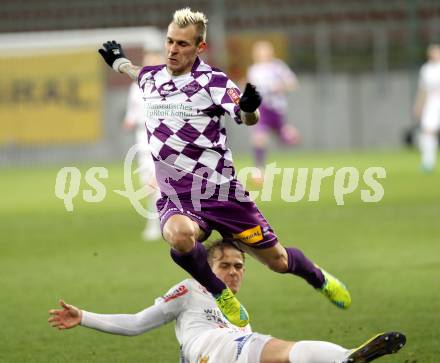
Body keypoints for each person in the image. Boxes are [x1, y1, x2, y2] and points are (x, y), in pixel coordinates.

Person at [98, 7, 351, 328]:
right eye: (170, 42)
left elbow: (246, 114)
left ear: (200, 47)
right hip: (179, 196)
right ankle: (221, 293)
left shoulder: (214, 81)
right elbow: (137, 72)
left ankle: (319, 278)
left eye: (183, 44)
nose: (173, 50)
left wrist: (249, 110)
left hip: (223, 193)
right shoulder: (152, 77)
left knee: (278, 261)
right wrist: (118, 61)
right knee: (178, 237)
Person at [48, 240, 406, 363]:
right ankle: (345, 357)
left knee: (275, 352)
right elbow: (139, 322)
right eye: (225, 265)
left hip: (225, 349)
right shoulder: (191, 289)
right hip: (207, 346)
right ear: (208, 266)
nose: (233, 272)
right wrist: (85, 317)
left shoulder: (239, 312)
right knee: (277, 350)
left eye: (239, 267)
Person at [123, 43, 164, 241]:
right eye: (148, 62)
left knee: (155, 181)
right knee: (147, 182)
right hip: (141, 138)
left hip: (160, 137)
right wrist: (129, 120)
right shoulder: (136, 87)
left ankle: (156, 223)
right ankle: (161, 219)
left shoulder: (166, 88)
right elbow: (132, 112)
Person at [247, 40, 300, 183]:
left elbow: (292, 83)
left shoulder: (278, 67)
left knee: (287, 140)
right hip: (263, 109)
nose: (263, 54)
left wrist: (281, 86)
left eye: (266, 51)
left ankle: (288, 133)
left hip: (277, 110)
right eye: (260, 51)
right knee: (259, 137)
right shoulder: (254, 70)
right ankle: (259, 170)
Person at [414, 43, 440, 172]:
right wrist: (419, 105)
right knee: (428, 131)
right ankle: (428, 162)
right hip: (432, 103)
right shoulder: (426, 69)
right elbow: (423, 89)